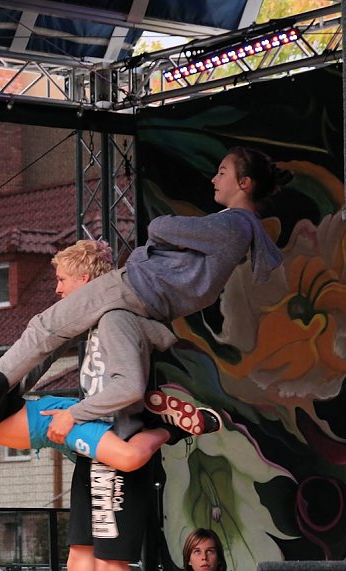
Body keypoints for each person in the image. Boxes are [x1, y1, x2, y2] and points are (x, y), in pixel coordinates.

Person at [0, 147, 293, 389]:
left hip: (135, 286)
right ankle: (2, 394)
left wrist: (167, 239)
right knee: (64, 334)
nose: (214, 178)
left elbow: (160, 227)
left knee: (45, 326)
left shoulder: (233, 225)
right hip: (151, 301)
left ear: (244, 183)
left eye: (222, 172)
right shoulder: (238, 228)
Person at [40, 239, 221, 571]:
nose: (57, 289)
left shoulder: (116, 319)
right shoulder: (93, 324)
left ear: (84, 280)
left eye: (62, 279)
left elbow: (128, 386)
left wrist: (72, 414)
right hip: (93, 446)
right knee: (80, 553)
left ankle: (168, 426)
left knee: (110, 561)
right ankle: (167, 425)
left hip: (118, 441)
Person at [0, 323, 219, 473]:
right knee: (109, 468)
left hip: (50, 422)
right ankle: (147, 415)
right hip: (46, 434)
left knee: (129, 458)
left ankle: (169, 428)